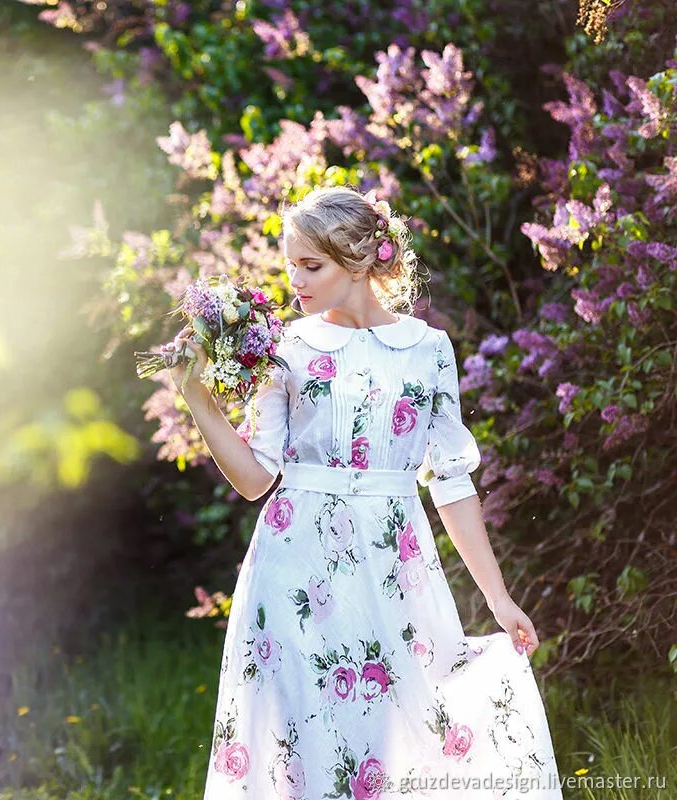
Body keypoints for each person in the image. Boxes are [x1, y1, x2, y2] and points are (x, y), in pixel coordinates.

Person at [161, 185, 564, 798]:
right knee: (302, 742)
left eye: (310, 265)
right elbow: (253, 478)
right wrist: (195, 395)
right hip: (292, 565)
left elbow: (452, 483)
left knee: (390, 740)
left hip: (392, 567)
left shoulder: (428, 351)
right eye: (290, 263)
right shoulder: (285, 348)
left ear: (358, 261)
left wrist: (499, 597)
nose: (294, 279)